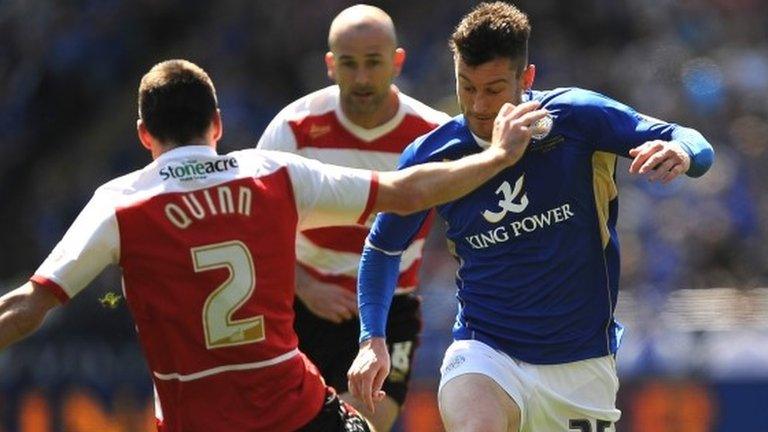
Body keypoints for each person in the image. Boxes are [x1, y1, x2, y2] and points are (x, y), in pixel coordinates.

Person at [0, 59, 547, 431]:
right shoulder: (273, 174)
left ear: (144, 133)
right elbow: (406, 192)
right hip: (298, 414)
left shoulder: (120, 202)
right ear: (217, 123)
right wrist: (497, 157)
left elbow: (29, 306)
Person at [347, 2, 715, 432]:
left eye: (494, 88)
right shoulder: (435, 154)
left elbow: (692, 141)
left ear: (527, 79)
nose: (479, 105)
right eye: (467, 87)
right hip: (486, 353)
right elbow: (383, 245)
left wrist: (681, 152)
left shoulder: (577, 118)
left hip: (581, 366)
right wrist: (372, 338)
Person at [256, 5, 449, 430]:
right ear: (330, 65)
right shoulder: (293, 129)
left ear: (397, 62)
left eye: (373, 62)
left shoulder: (434, 134)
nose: (361, 78)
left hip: (389, 308)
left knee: (363, 425)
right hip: (301, 305)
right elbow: (254, 229)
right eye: (349, 63)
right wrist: (305, 286)